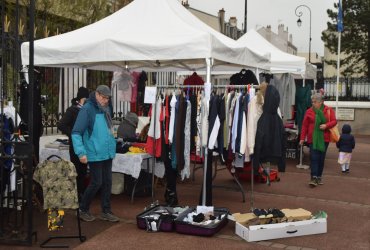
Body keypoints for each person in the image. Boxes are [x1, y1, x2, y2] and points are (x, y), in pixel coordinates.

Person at [72, 85, 119, 222]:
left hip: (107, 151)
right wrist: (81, 153)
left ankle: (106, 210)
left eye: (108, 98)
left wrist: (113, 145)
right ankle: (83, 208)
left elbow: (109, 129)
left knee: (107, 182)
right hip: (94, 152)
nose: (106, 101)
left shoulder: (107, 108)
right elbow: (76, 132)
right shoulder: (87, 109)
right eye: (104, 98)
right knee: (96, 182)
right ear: (97, 95)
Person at [57, 87, 89, 201]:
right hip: (75, 145)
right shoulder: (72, 110)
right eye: (86, 98)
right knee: (77, 170)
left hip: (85, 145)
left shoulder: (87, 110)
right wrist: (73, 134)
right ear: (81, 99)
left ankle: (81, 193)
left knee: (83, 171)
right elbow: (61, 125)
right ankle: (76, 195)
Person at [299, 92, 337, 187]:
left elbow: (334, 121)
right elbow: (304, 125)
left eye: (314, 101)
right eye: (312, 101)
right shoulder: (309, 111)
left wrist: (326, 125)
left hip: (325, 138)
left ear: (320, 102)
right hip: (312, 139)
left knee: (321, 158)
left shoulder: (328, 110)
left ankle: (319, 176)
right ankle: (313, 177)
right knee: (314, 158)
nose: (313, 103)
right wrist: (302, 138)